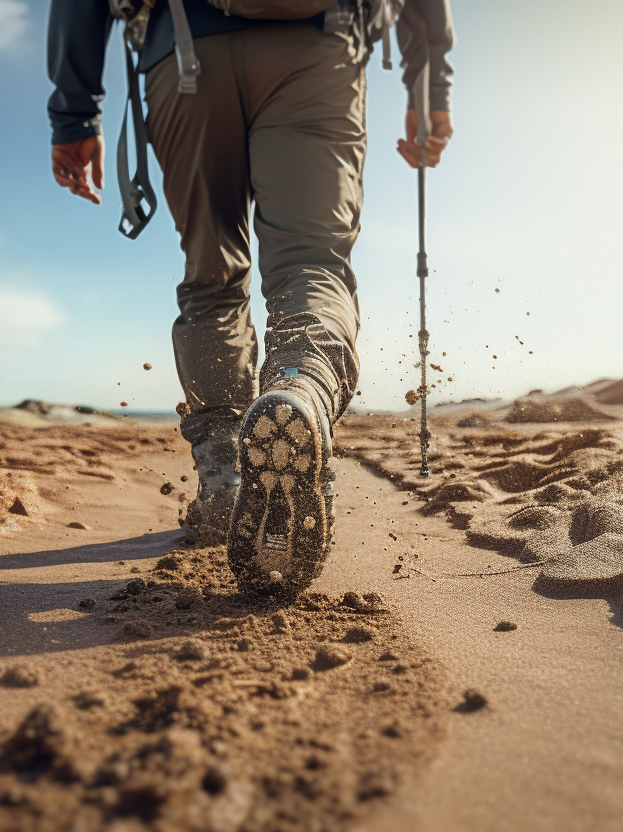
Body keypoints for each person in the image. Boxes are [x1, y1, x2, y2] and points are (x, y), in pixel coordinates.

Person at [47, 0, 455, 596]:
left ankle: (224, 479)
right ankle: (301, 388)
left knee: (212, 275)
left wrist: (75, 115)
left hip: (182, 49)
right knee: (312, 261)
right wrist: (429, 85)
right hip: (319, 46)